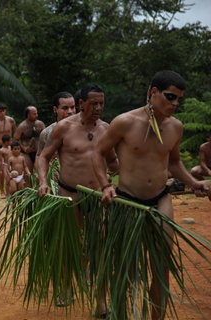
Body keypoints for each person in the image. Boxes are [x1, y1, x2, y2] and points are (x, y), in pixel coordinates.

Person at [92, 70, 210, 320]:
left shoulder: (176, 127)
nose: (175, 104)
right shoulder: (125, 122)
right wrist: (105, 185)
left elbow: (174, 163)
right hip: (126, 200)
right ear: (153, 92)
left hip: (161, 198)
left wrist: (193, 182)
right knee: (124, 266)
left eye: (179, 99)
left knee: (161, 265)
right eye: (170, 97)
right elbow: (98, 152)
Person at [37, 83, 118, 314]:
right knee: (69, 245)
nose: (99, 108)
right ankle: (64, 286)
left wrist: (127, 174)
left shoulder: (107, 129)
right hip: (68, 195)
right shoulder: (64, 128)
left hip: (98, 197)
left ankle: (100, 299)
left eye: (102, 103)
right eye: (94, 103)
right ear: (81, 104)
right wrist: (43, 182)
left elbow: (113, 162)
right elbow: (43, 157)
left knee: (100, 247)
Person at [36, 92, 76, 157]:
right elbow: (39, 157)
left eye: (72, 107)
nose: (70, 111)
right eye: (65, 108)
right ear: (55, 109)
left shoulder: (84, 129)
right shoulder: (46, 133)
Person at [14, 106, 45, 173]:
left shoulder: (40, 124)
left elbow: (45, 136)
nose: (36, 115)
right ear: (28, 115)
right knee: (28, 174)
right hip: (26, 153)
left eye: (36, 113)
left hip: (38, 152)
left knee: (41, 171)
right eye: (34, 114)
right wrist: (24, 148)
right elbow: (16, 139)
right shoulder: (22, 126)